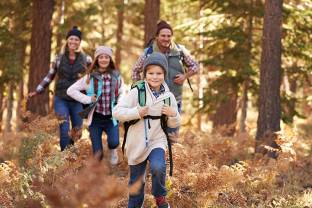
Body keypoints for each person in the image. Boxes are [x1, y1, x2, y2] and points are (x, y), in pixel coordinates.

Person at [113, 52, 180, 208]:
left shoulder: (168, 96)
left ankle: (160, 198)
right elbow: (116, 112)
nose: (154, 77)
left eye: (159, 73)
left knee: (158, 166)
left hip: (157, 139)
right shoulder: (137, 92)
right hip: (136, 142)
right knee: (136, 184)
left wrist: (173, 114)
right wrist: (136, 112)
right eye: (150, 73)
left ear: (164, 74)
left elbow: (173, 123)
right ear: (145, 74)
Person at [28, 26, 92, 151]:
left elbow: (95, 76)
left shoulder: (87, 59)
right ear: (67, 40)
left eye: (76, 39)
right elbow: (49, 76)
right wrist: (38, 90)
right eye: (71, 39)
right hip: (61, 98)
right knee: (64, 128)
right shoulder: (59, 58)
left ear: (80, 42)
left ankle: (71, 155)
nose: (73, 42)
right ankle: (64, 158)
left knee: (77, 130)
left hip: (78, 99)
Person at [131, 20, 198, 137]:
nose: (166, 38)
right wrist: (139, 89)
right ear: (157, 36)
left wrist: (184, 76)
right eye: (163, 35)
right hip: (152, 100)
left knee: (172, 134)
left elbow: (195, 66)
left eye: (169, 36)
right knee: (153, 135)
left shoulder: (179, 50)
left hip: (174, 99)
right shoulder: (149, 52)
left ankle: (171, 154)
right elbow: (135, 70)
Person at [67, 46, 123, 164]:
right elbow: (71, 90)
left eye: (106, 57)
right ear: (96, 60)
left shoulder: (116, 76)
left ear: (110, 59)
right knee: (98, 155)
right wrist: (87, 99)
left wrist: (120, 104)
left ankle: (113, 150)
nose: (103, 59)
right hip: (95, 119)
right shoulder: (89, 77)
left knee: (114, 143)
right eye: (101, 57)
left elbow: (122, 92)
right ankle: (99, 176)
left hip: (111, 118)